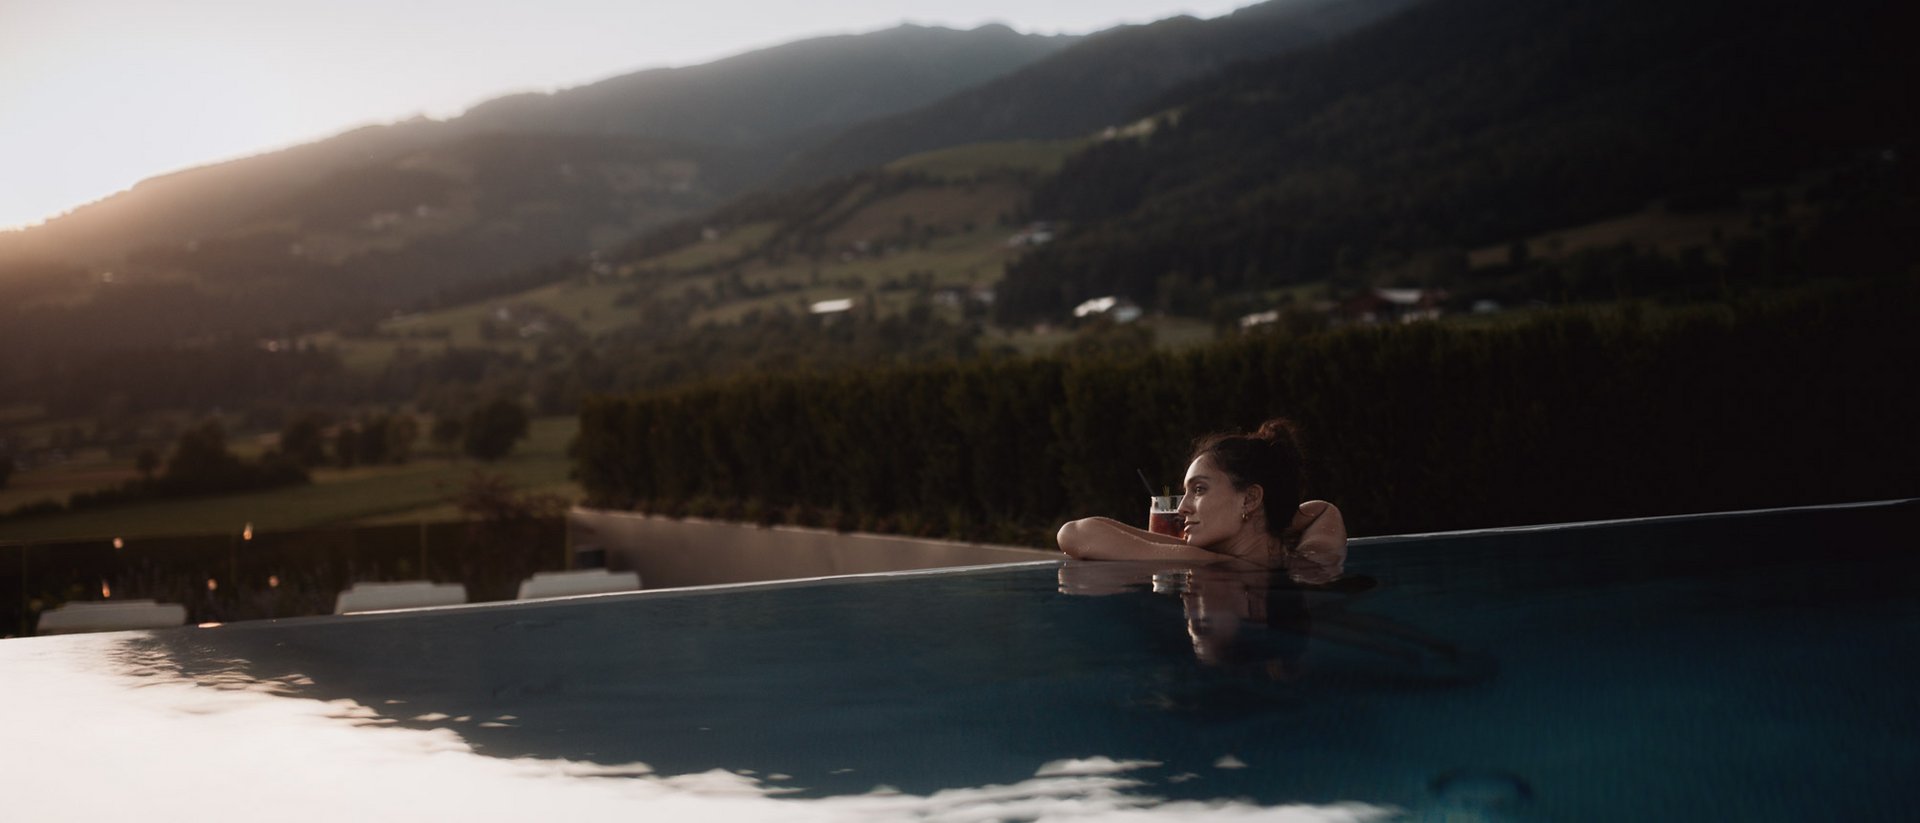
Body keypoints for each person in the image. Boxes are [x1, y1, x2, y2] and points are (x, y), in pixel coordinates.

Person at [1055, 418, 1347, 585]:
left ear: (1251, 497)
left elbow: (1075, 535)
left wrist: (1269, 522)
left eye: (1198, 490)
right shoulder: (1309, 560)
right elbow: (1077, 533)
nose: (1182, 508)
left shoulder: (1306, 563)